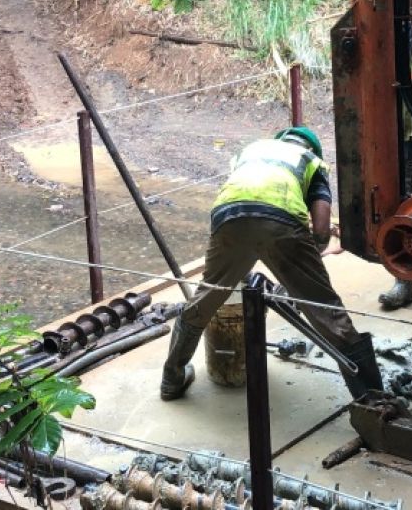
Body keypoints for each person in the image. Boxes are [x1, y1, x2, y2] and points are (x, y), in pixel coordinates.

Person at [160, 127, 383, 401]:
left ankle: (172, 378)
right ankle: (374, 399)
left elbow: (244, 198)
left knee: (207, 297)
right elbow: (322, 226)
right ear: (311, 148)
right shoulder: (310, 161)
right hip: (281, 224)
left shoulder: (252, 151)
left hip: (228, 218)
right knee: (326, 311)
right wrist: (311, 260)